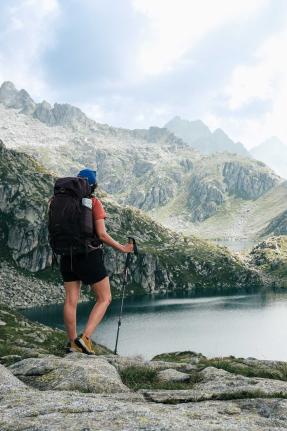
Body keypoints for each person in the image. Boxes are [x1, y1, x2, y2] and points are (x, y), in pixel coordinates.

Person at [60, 168, 133, 355]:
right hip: (88, 256)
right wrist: (123, 248)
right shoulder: (93, 202)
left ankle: (72, 343)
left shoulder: (59, 201)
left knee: (71, 300)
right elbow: (101, 234)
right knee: (104, 298)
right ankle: (84, 339)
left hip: (66, 256)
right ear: (93, 185)